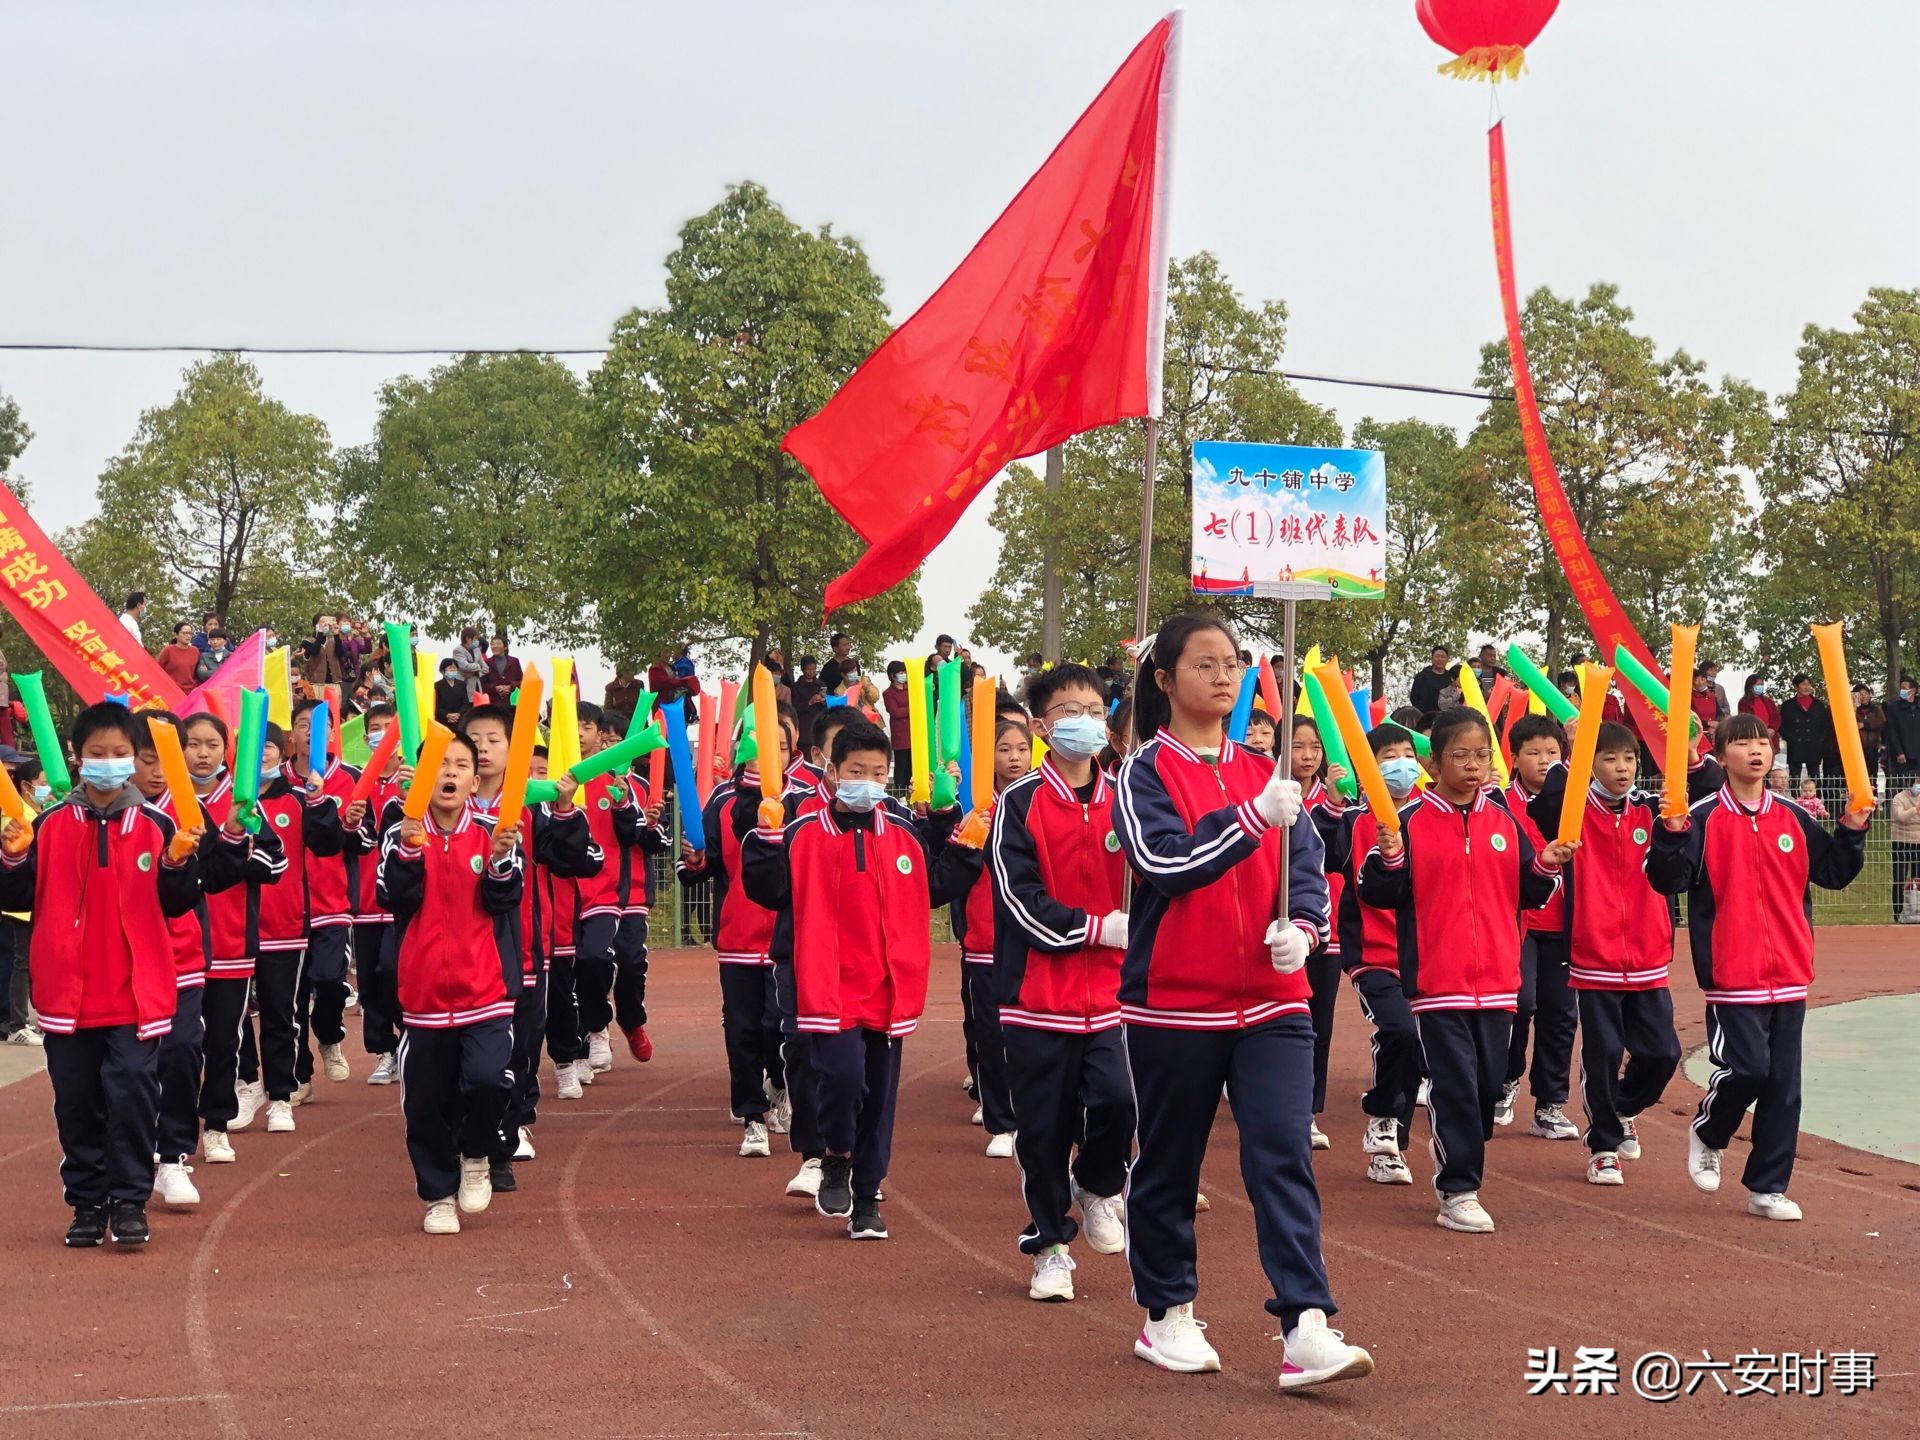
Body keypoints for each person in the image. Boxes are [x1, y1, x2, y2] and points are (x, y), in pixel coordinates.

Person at [1116, 615, 1372, 1391]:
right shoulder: (1144, 772)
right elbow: (1165, 861)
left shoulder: (1266, 768)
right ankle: (1167, 1312)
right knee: (1168, 1162)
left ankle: (1307, 1325)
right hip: (1175, 1003)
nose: (1223, 678)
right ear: (1165, 680)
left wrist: (1302, 925)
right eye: (1204, 665)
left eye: (1231, 664)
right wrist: (1250, 818)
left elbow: (1306, 867)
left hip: (1273, 1001)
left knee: (1282, 1154)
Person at [741, 716, 984, 1241]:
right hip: (825, 983)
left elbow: (934, 889)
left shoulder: (902, 834)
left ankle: (869, 1194)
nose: (867, 781)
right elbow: (769, 891)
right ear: (832, 772)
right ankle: (835, 1154)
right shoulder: (803, 831)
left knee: (881, 1093)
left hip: (888, 985)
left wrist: (966, 850)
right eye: (856, 770)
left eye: (877, 773)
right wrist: (763, 839)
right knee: (842, 1077)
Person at [1648, 712, 1869, 1222]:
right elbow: (1669, 879)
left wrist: (1852, 830)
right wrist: (1671, 833)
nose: (1755, 751)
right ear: (1719, 754)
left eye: (1763, 743)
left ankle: (1768, 1185)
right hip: (1732, 973)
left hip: (1789, 970)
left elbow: (1833, 872)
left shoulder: (1792, 815)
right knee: (1748, 1069)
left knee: (1783, 1085)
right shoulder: (1701, 816)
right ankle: (1709, 1130)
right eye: (1742, 743)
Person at [1360, 707, 1572, 1235]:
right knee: (1455, 1085)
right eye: (1461, 755)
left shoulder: (1504, 822)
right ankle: (1459, 1188)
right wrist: (1387, 861)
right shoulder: (1407, 823)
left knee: (1483, 1090)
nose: (1474, 765)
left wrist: (1546, 864)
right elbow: (1377, 892)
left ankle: (1462, 1152)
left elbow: (1531, 891)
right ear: (1434, 761)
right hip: (1438, 982)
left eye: (1482, 755)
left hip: (1499, 980)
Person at [0, 702, 202, 1246]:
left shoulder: (160, 825)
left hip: (136, 993)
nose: (108, 764)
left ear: (134, 760)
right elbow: (15, 897)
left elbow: (179, 904)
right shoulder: (48, 825)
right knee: (77, 1102)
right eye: (97, 755)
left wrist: (181, 862)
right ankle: (87, 1202)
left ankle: (130, 1199)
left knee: (133, 1092)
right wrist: (13, 858)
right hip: (67, 994)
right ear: (78, 757)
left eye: (120, 755)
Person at [990, 665, 1131, 1302]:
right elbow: (1020, 902)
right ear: (1043, 726)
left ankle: (1099, 1184)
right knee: (1042, 1130)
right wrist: (1100, 928)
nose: (1086, 720)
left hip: (1113, 995)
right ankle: (1049, 1244)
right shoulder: (1016, 804)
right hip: (1037, 997)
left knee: (1118, 1103)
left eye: (1096, 709)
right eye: (1070, 710)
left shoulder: (1128, 796)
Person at [1526, 722, 1688, 1187]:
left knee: (1662, 1053)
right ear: (1589, 764)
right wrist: (1574, 755)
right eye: (1610, 759)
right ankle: (1603, 1146)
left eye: (1630, 759)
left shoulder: (1651, 811)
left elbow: (1676, 864)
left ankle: (1621, 1106)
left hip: (1648, 952)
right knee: (1603, 1052)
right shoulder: (1572, 808)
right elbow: (1542, 808)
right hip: (1593, 954)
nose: (1622, 769)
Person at [379, 730, 524, 1234]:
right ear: (421, 776)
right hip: (421, 998)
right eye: (439, 764)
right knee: (426, 1102)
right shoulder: (399, 833)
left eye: (461, 764)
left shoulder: (492, 830)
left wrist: (503, 860)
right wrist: (409, 852)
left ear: (474, 776)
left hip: (483, 990)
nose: (450, 773)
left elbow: (504, 901)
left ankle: (478, 1153)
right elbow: (392, 898)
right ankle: (438, 1193)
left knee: (487, 1080)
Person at [457, 705, 600, 1189]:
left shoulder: (533, 807)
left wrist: (564, 809)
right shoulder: (448, 804)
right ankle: (476, 1140)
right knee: (473, 1059)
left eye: (493, 739)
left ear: (513, 749)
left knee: (520, 1050)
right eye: (473, 739)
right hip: (463, 954)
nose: (482, 748)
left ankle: (508, 1132)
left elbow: (572, 860)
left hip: (522, 950)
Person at [129, 711, 256, 1206]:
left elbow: (218, 876)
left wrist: (231, 836)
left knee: (184, 1051)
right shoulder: (109, 813)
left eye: (168, 758)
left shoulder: (185, 810)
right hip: (121, 960)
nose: (159, 770)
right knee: (130, 1068)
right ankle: (115, 1153)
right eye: (147, 759)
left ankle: (174, 1156)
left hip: (180, 955)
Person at [677, 729, 794, 1162]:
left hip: (787, 940)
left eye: (779, 747)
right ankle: (752, 1117)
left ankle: (780, 1086)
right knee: (743, 1031)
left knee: (780, 1027)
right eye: (759, 746)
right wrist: (693, 862)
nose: (768, 756)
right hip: (739, 939)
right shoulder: (724, 801)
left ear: (791, 751)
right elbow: (698, 864)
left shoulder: (801, 800)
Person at [1319, 723, 1425, 1185]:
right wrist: (1331, 804)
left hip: (1426, 955)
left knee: (1421, 1046)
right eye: (1388, 756)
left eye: (1408, 752)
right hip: (1373, 953)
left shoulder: (1434, 814)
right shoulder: (1351, 819)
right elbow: (1322, 853)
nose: (1400, 763)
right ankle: (1382, 1115)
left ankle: (1391, 1144)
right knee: (1398, 1029)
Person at [183, 710, 287, 1164]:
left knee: (224, 1040)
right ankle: (174, 1133)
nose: (202, 754)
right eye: (193, 744)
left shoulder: (243, 801)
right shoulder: (168, 800)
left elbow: (276, 861)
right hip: (178, 946)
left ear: (224, 750)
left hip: (230, 943)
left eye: (211, 745)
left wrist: (247, 861)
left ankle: (217, 1125)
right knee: (179, 1045)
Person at [1497, 715, 1579, 1142]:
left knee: (1561, 1013)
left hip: (1566, 923)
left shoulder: (1573, 797)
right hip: (1521, 922)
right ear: (1514, 758)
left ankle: (1549, 1104)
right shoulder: (1498, 799)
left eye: (1553, 752)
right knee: (1521, 1003)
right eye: (1534, 752)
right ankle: (1506, 1079)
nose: (1545, 760)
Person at [955, 716, 1030, 1161]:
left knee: (1028, 1033)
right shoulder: (976, 807)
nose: (1014, 757)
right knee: (989, 1033)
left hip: (1031, 938)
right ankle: (1001, 1119)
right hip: (985, 937)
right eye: (1004, 749)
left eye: (1021, 748)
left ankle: (1031, 1112)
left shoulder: (1041, 798)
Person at [1288, 716, 1345, 1150]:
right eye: (1298, 746)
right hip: (1279, 930)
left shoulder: (1336, 801)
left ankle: (1307, 1110)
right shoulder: (1270, 796)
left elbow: (1338, 857)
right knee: (1285, 1021)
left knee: (1318, 1023)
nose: (1307, 756)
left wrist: (1336, 806)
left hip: (1326, 929)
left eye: (1314, 748)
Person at [1776, 674, 1835, 780]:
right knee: (1794, 776)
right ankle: (1794, 797)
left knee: (1815, 776)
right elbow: (1782, 725)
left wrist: (1820, 740)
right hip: (1796, 746)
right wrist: (1790, 739)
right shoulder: (1788, 705)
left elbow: (1825, 725)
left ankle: (1815, 796)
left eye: (1808, 684)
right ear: (1796, 686)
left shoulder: (1818, 704)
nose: (1807, 687)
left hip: (1813, 745)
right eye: (1803, 684)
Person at [1891, 776, 1920, 922]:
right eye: (1917, 783)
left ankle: (1915, 911)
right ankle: (1898, 912)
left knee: (1917, 879)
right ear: (1910, 784)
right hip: (1901, 841)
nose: (1918, 787)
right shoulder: (1899, 798)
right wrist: (1915, 810)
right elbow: (1900, 816)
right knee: (1899, 878)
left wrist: (1911, 814)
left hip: (1918, 841)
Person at [883, 661, 912, 789]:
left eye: (905, 672)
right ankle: (900, 790)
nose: (904, 675)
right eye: (901, 673)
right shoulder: (888, 693)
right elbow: (895, 711)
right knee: (901, 763)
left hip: (913, 732)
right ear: (893, 675)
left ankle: (911, 789)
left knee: (911, 764)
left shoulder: (910, 688)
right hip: (900, 733)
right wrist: (911, 709)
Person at [1888, 675, 1920, 787]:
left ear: (1913, 690)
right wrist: (1899, 751)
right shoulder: (1894, 708)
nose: (1902, 691)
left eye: (1905, 688)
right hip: (1903, 754)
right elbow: (1892, 731)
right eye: (1901, 688)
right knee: (1903, 784)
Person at [1408, 646, 1456, 715]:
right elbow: (1414, 698)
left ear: (1447, 659)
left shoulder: (1451, 678)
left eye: (1443, 657)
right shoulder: (1422, 676)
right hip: (1424, 716)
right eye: (1437, 656)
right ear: (1432, 658)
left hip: (1446, 718)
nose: (1440, 659)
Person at [1853, 684, 1886, 779]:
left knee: (1872, 774)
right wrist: (1854, 706)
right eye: (1860, 694)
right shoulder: (1852, 709)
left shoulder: (1876, 709)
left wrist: (1865, 725)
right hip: (1857, 748)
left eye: (1865, 693)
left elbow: (1881, 722)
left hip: (1872, 747)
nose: (1863, 697)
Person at [485, 637, 525, 711]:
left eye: (498, 643)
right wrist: (495, 688)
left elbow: (521, 680)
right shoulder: (486, 663)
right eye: (492, 644)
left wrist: (510, 686)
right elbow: (482, 684)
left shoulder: (514, 662)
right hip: (492, 704)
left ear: (505, 647)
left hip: (511, 703)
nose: (495, 646)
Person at [158, 622, 202, 689]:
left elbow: (198, 672)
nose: (188, 636)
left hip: (190, 691)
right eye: (185, 633)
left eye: (190, 633)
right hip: (171, 689)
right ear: (176, 635)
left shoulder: (195, 651)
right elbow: (158, 669)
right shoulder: (168, 650)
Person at [1739, 673, 1781, 741]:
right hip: (1753, 737)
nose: (1760, 687)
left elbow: (1776, 717)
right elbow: (1744, 721)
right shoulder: (1743, 702)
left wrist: (1772, 729)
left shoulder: (1768, 701)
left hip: (1770, 737)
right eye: (1758, 685)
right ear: (1750, 686)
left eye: (1762, 684)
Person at [820, 632, 862, 698]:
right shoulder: (828, 668)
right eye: (844, 645)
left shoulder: (854, 663)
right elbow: (822, 688)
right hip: (838, 704)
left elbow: (859, 681)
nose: (848, 647)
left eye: (848, 644)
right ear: (835, 648)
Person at [451, 627, 488, 701]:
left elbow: (486, 668)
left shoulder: (477, 650)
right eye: (475, 639)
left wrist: (475, 673)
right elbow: (464, 666)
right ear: (468, 638)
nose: (477, 641)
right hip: (463, 684)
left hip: (476, 685)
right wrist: (478, 666)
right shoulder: (458, 650)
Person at [433, 658, 468, 727]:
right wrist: (447, 715)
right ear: (442, 671)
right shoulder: (437, 685)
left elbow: (465, 703)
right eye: (450, 668)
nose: (452, 670)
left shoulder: (462, 684)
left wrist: (458, 714)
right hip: (443, 721)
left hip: (459, 719)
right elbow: (436, 705)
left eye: (454, 668)